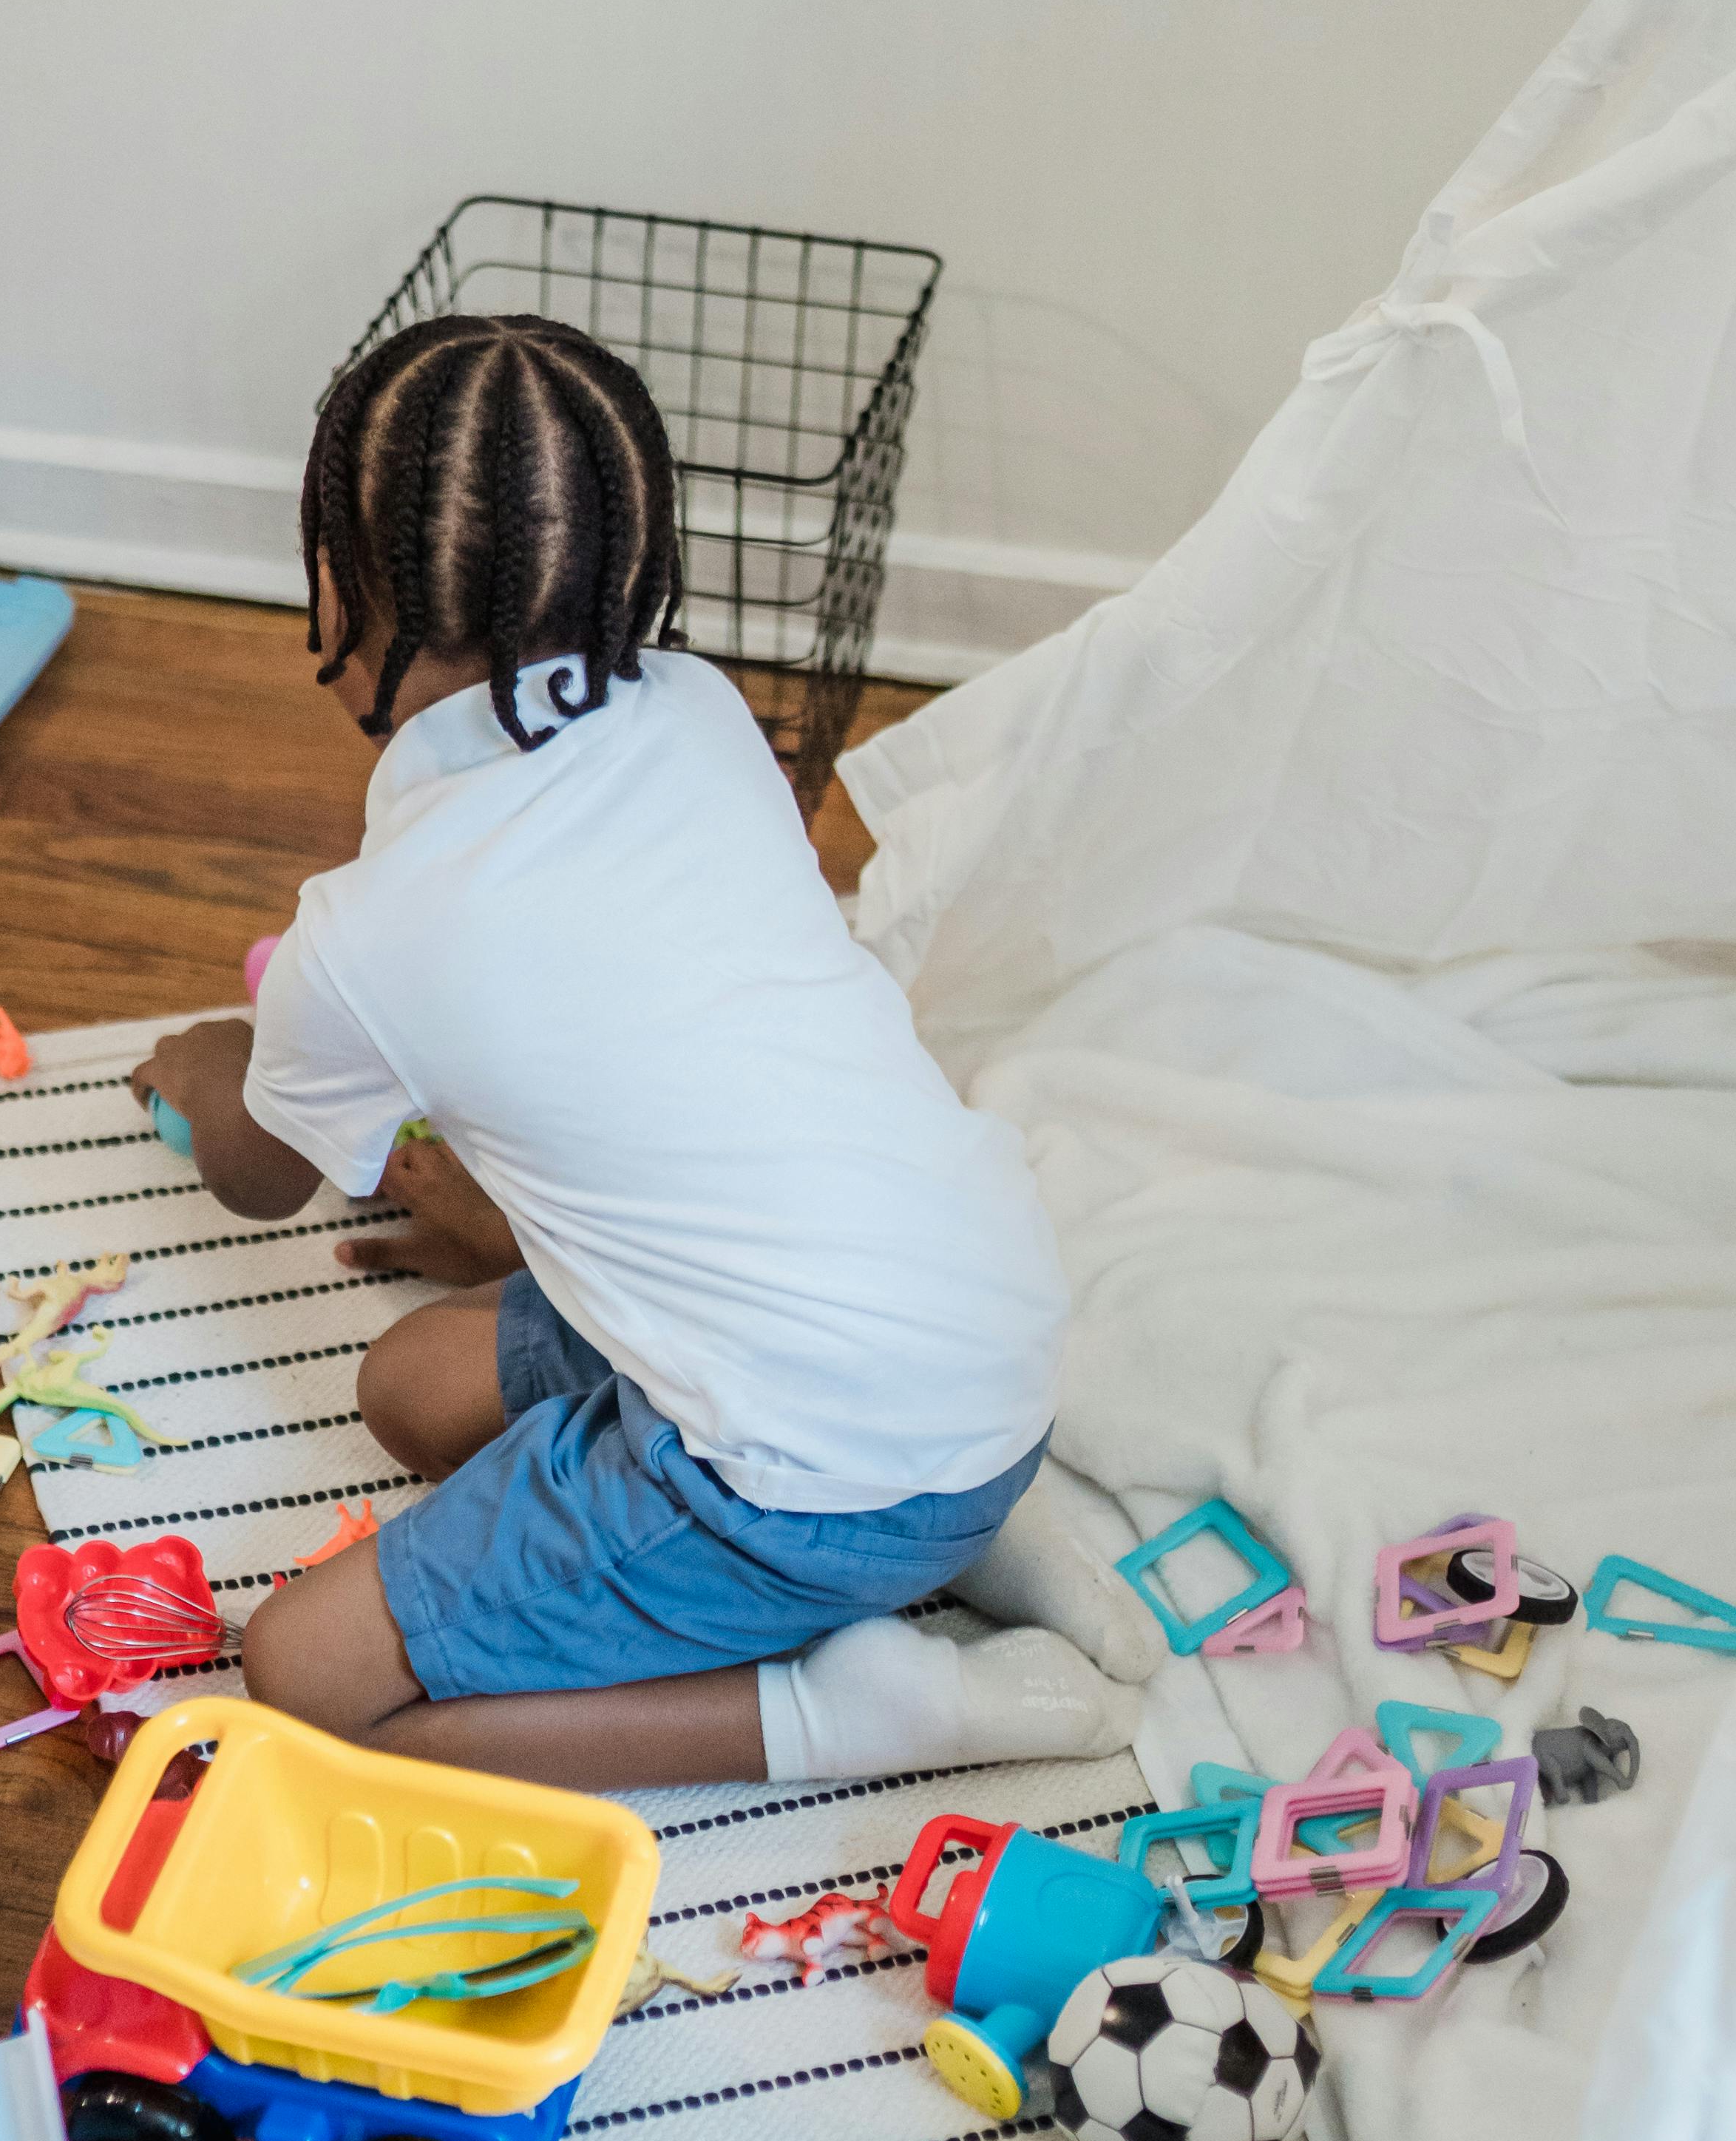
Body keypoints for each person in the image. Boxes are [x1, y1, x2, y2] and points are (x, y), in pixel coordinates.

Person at [132, 311, 1162, 1796]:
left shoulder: (362, 941)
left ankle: (881, 1709)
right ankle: (975, 1521)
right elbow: (669, 1041)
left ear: (331, 586)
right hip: (980, 1353)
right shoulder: (695, 714)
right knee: (409, 1391)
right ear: (627, 560)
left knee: (304, 1680)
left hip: (805, 1478)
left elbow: (258, 1180)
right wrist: (499, 1210)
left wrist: (211, 1064)